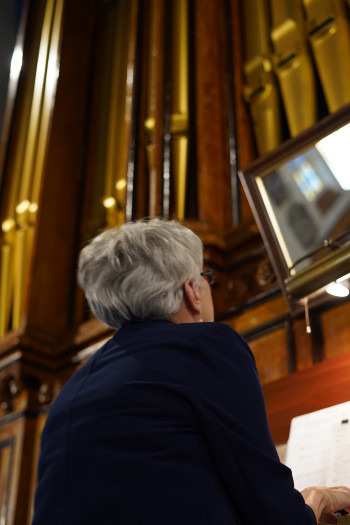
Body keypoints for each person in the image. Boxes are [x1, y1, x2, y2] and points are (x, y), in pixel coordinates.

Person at [32, 218, 350, 524]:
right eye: (206, 277)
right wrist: (317, 497)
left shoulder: (68, 394)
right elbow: (275, 513)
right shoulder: (205, 345)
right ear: (192, 292)